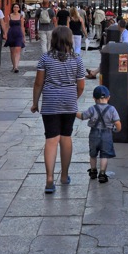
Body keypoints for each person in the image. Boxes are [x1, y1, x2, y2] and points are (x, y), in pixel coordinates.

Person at [31, 26, 86, 194]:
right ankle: (64, 175)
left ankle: (49, 178)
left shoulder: (45, 58)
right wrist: (71, 99)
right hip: (69, 102)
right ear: (70, 39)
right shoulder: (77, 59)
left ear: (53, 39)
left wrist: (35, 103)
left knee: (51, 139)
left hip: (50, 103)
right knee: (66, 137)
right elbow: (81, 85)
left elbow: (39, 83)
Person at [76, 84, 121, 183]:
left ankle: (93, 171)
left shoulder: (92, 109)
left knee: (93, 154)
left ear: (94, 98)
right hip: (107, 134)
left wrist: (74, 112)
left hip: (94, 134)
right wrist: (117, 129)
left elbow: (83, 116)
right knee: (104, 155)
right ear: (108, 97)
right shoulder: (112, 109)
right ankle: (102, 173)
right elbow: (117, 123)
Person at [5, 3, 25, 72]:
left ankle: (16, 67)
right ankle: (14, 66)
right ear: (12, 8)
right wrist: (5, 34)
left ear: (19, 9)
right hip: (11, 34)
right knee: (12, 51)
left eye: (17, 7)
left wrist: (24, 36)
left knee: (18, 50)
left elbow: (22, 27)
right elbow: (7, 26)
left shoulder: (21, 16)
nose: (15, 8)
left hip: (19, 34)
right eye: (14, 7)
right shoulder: (9, 16)